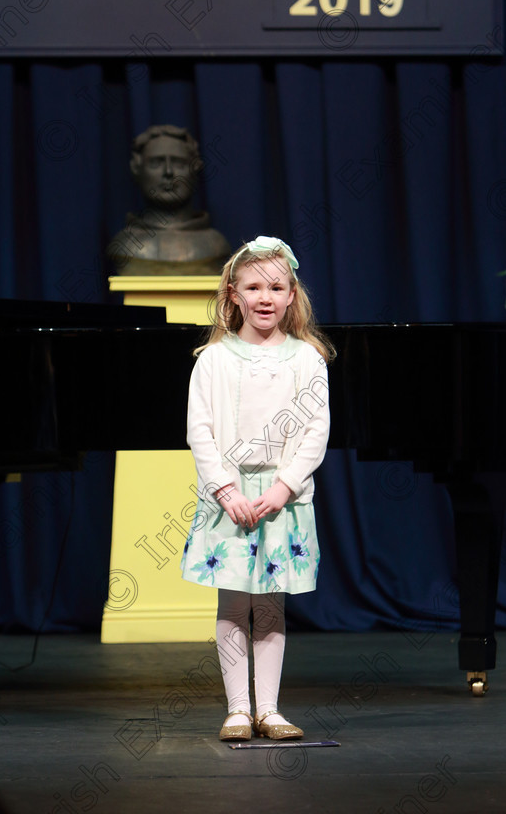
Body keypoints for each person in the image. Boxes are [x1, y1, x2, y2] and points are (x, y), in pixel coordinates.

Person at [180, 235, 335, 741]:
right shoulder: (214, 360)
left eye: (275, 286)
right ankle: (237, 710)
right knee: (233, 602)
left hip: (280, 499)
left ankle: (268, 709)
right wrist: (226, 490)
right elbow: (199, 430)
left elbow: (316, 430)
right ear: (233, 294)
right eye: (253, 287)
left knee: (270, 603)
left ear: (292, 294)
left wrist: (284, 488)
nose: (265, 297)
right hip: (231, 499)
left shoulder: (307, 359)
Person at [107, 124, 230, 275]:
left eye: (179, 163)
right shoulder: (125, 245)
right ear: (136, 169)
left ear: (195, 170)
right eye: (156, 163)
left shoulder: (216, 245)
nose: (168, 172)